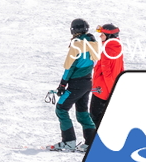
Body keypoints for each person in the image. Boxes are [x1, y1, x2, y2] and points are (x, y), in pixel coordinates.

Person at [49, 18, 100, 152]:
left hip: (76, 84)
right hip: (87, 82)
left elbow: (69, 66)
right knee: (82, 113)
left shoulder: (77, 44)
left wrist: (62, 84)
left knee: (61, 109)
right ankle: (91, 143)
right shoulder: (93, 43)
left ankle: (69, 141)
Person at [90, 24, 124, 128]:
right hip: (108, 89)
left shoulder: (107, 51)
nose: (100, 37)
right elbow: (121, 68)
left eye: (102, 35)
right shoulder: (117, 48)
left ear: (109, 36)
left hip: (102, 91)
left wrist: (111, 91)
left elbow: (107, 74)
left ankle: (93, 142)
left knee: (95, 118)